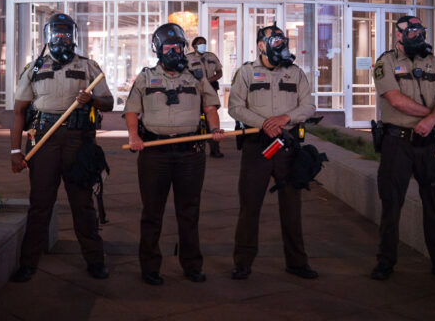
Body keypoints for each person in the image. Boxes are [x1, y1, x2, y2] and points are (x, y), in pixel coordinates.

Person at [10, 13, 114, 282]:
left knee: (83, 204)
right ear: (47, 36)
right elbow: (19, 111)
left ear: (74, 36)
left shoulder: (89, 66)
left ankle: (95, 260)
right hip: (42, 140)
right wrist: (14, 151)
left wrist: (91, 99)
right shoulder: (34, 68)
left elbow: (109, 102)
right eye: (56, 33)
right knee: (40, 204)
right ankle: (29, 263)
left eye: (66, 33)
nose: (61, 37)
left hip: (79, 142)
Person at [124, 23, 225, 286]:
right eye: (168, 46)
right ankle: (149, 267)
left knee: (189, 211)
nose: (174, 51)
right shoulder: (145, 77)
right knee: (152, 213)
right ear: (158, 49)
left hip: (190, 155)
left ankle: (192, 265)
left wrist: (214, 128)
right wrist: (134, 137)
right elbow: (132, 110)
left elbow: (210, 106)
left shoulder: (196, 76)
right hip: (154, 154)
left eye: (178, 46)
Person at [370, 15, 435, 283]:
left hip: (429, 144)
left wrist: (431, 120)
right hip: (397, 142)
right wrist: (431, 115)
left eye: (420, 31)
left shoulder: (432, 62)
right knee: (391, 204)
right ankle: (385, 262)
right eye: (412, 32)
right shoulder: (385, 62)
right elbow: (395, 100)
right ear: (398, 35)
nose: (418, 36)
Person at [227, 23, 317, 280]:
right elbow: (235, 107)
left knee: (292, 207)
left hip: (288, 148)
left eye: (281, 39)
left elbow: (308, 105)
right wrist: (263, 123)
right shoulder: (245, 72)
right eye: (273, 40)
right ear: (260, 45)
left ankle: (297, 262)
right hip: (257, 147)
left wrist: (286, 117)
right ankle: (242, 262)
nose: (279, 43)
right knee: (250, 206)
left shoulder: (296, 73)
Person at [186, 36, 224, 158]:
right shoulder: (188, 59)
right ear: (194, 46)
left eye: (204, 43)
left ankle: (215, 148)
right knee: (195, 119)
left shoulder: (211, 57)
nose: (203, 45)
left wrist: (210, 80)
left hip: (211, 89)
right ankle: (194, 147)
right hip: (195, 91)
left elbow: (219, 72)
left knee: (212, 119)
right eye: (200, 43)